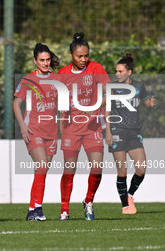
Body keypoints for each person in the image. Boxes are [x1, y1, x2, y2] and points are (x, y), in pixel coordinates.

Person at [58, 32, 110, 221]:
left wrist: (96, 105)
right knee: (69, 170)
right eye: (80, 56)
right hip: (71, 128)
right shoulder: (62, 74)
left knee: (97, 168)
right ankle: (65, 210)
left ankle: (88, 201)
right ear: (71, 54)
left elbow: (109, 93)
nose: (84, 59)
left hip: (93, 127)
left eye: (86, 55)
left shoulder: (95, 68)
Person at [105, 53, 156, 214]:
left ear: (129, 72)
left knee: (141, 169)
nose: (117, 74)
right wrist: (108, 131)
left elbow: (146, 101)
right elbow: (107, 109)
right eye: (116, 71)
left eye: (120, 71)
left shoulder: (139, 86)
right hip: (117, 131)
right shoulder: (111, 87)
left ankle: (129, 195)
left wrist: (150, 103)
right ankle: (125, 206)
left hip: (134, 132)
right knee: (122, 171)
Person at [13, 43, 60, 221]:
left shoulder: (57, 79)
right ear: (35, 61)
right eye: (42, 60)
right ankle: (38, 209)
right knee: (41, 165)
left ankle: (31, 210)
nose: (45, 63)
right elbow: (16, 104)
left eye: (48, 60)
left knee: (42, 170)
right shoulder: (28, 80)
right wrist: (22, 126)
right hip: (33, 129)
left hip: (51, 131)